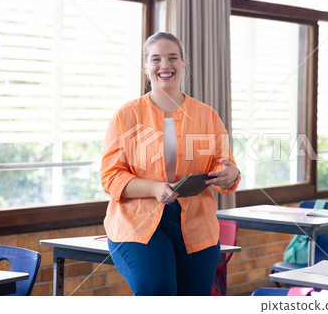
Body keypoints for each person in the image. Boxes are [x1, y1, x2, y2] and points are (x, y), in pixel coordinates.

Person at [100, 32, 240, 296]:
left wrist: (230, 173)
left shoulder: (206, 115)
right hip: (137, 223)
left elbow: (224, 167)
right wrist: (154, 188)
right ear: (145, 66)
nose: (165, 65)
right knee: (157, 289)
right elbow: (111, 177)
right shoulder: (126, 115)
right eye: (156, 59)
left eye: (172, 58)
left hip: (197, 224)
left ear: (183, 64)